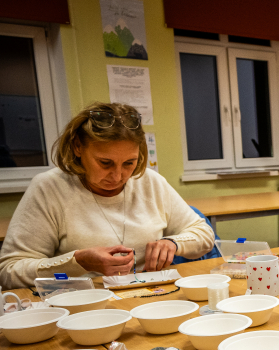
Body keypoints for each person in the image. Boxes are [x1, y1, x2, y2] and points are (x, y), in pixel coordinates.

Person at [0, 102, 215, 289]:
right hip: (82, 305)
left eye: (129, 163)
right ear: (77, 147)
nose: (118, 176)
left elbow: (204, 233)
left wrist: (173, 243)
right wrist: (77, 262)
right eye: (105, 163)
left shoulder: (150, 182)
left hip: (148, 297)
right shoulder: (50, 188)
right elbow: (9, 271)